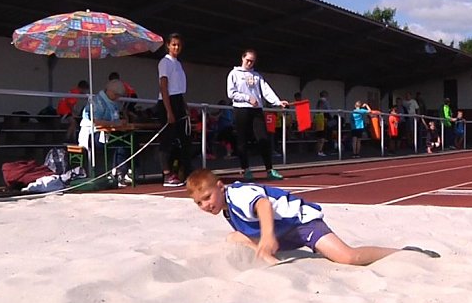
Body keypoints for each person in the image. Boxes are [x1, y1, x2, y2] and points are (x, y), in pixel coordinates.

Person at [185, 168, 440, 265]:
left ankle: (404, 252)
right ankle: (270, 253)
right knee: (233, 237)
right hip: (284, 235)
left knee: (348, 258)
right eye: (199, 203)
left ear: (220, 186)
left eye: (207, 198)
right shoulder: (226, 207)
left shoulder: (238, 194)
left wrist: (267, 237)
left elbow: (262, 204)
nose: (205, 205)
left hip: (301, 223)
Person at [227, 49, 288, 181]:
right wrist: (247, 98)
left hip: (256, 110)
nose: (249, 63)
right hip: (241, 109)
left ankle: (269, 170)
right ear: (242, 58)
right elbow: (231, 93)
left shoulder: (257, 76)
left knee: (264, 138)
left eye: (252, 61)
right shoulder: (234, 74)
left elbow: (266, 90)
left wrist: (278, 102)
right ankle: (245, 169)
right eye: (247, 60)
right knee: (242, 140)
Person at [156, 33, 194, 187]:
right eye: (173, 45)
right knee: (167, 139)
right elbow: (163, 87)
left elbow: (179, 89)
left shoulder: (178, 64)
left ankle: (186, 172)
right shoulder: (165, 62)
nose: (176, 47)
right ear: (168, 45)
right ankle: (166, 174)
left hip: (178, 101)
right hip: (167, 101)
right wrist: (169, 111)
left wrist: (184, 106)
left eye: (178, 45)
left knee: (184, 140)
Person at [77, 79, 129, 186]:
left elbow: (115, 119)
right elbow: (95, 121)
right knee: (120, 142)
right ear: (110, 91)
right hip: (92, 135)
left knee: (127, 139)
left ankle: (123, 171)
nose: (117, 97)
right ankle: (119, 172)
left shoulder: (113, 104)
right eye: (116, 94)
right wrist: (114, 124)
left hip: (107, 134)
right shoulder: (97, 102)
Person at [315, 90, 332, 157]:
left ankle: (318, 150)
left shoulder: (318, 102)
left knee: (319, 135)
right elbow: (328, 109)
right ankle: (320, 150)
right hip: (323, 118)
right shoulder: (324, 101)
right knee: (322, 135)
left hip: (318, 118)